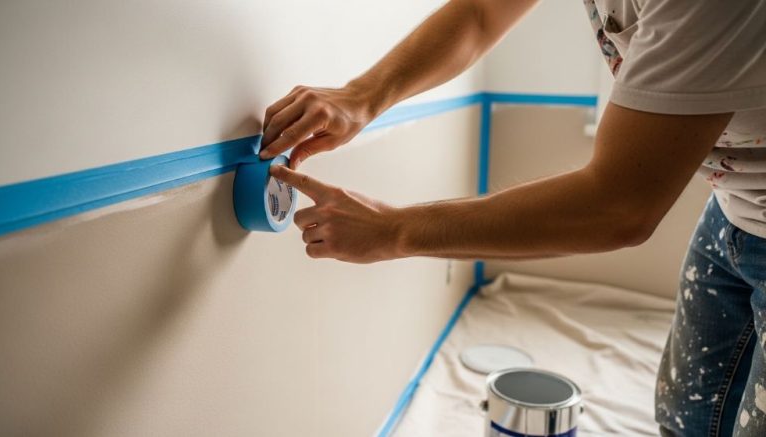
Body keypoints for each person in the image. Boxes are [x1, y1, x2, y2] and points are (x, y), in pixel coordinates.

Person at [259, 0, 766, 435]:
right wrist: (362, 96)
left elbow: (618, 206)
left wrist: (394, 230)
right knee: (691, 416)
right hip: (733, 208)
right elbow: (481, 14)